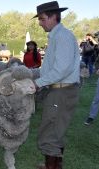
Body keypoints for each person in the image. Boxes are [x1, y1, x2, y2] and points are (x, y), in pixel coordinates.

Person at [32, 1, 80, 168]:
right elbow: (53, 67)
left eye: (43, 19)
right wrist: (35, 74)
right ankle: (53, 165)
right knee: (56, 131)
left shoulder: (62, 36)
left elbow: (62, 69)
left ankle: (52, 166)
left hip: (61, 91)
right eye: (39, 19)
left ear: (54, 16)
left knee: (49, 135)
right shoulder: (57, 36)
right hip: (60, 90)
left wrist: (37, 83)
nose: (40, 23)